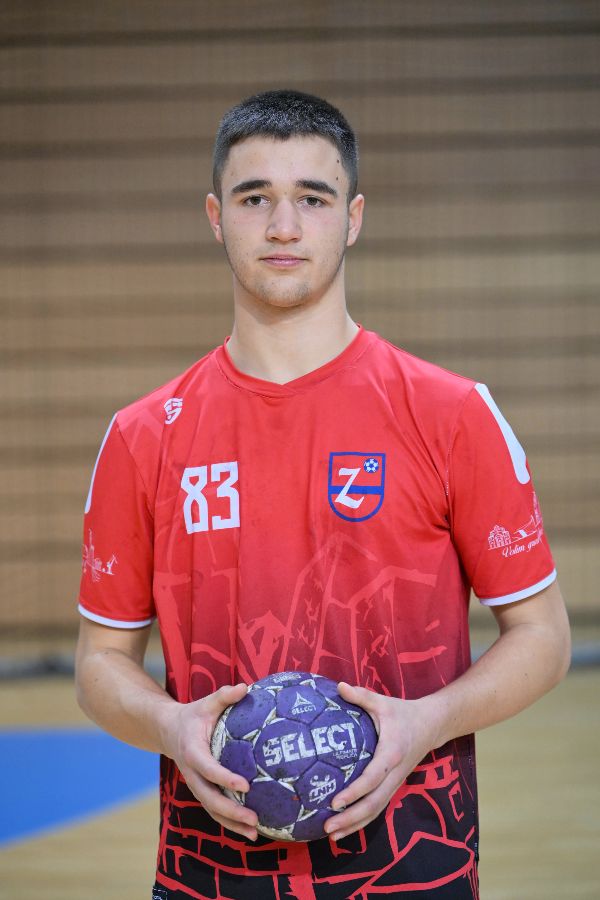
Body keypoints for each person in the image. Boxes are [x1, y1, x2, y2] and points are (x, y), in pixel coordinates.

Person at [74, 89, 571, 900]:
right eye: (254, 198)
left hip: (415, 870)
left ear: (354, 217)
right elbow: (100, 663)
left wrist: (427, 722)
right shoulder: (142, 436)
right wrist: (171, 725)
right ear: (215, 216)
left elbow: (543, 638)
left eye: (313, 198)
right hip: (207, 877)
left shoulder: (451, 413)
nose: (283, 226)